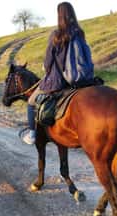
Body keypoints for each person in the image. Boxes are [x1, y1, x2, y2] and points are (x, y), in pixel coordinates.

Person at [21, 2, 93, 144]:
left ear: (59, 15)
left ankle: (32, 135)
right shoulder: (79, 33)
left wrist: (45, 68)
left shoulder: (57, 35)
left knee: (30, 101)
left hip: (58, 80)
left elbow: (48, 62)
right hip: (81, 78)